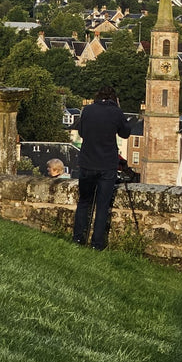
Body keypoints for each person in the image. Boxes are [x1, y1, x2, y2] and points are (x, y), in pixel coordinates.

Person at [72, 86, 131, 251]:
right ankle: (96, 244)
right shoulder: (116, 112)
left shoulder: (88, 110)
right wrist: (118, 111)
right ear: (114, 98)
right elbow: (125, 133)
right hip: (107, 165)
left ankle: (78, 238)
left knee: (84, 202)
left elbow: (82, 132)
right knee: (102, 205)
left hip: (87, 162)